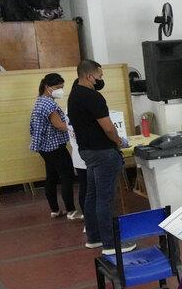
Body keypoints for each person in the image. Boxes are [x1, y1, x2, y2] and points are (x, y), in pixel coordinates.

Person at [67, 60, 133, 255]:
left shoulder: (74, 94)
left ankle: (94, 237)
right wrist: (119, 141)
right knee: (105, 198)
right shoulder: (92, 97)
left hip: (87, 152)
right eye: (100, 76)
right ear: (89, 76)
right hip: (103, 152)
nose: (101, 80)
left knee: (92, 194)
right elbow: (108, 127)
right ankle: (111, 243)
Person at [30, 73, 81, 220]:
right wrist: (75, 128)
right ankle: (71, 211)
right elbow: (58, 125)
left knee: (51, 176)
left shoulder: (40, 101)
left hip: (43, 147)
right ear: (47, 87)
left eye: (62, 87)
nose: (61, 91)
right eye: (58, 87)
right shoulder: (49, 104)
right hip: (54, 146)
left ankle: (55, 210)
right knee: (67, 176)